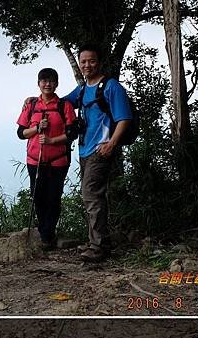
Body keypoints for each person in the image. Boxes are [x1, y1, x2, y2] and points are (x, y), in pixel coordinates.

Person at [60, 43, 132, 262]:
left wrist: (111, 144)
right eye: (83, 61)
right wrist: (36, 101)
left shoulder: (110, 87)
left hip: (100, 150)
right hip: (84, 149)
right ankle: (98, 241)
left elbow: (124, 118)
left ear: (99, 62)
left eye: (91, 61)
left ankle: (98, 246)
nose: (87, 65)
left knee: (91, 195)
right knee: (93, 196)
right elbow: (61, 103)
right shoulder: (82, 89)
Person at [16, 68, 77, 250]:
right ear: (38, 83)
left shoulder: (64, 106)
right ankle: (44, 232)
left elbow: (72, 132)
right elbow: (21, 133)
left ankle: (47, 235)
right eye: (44, 81)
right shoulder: (31, 105)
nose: (47, 84)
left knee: (53, 197)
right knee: (38, 197)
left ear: (56, 84)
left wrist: (52, 140)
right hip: (34, 160)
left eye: (51, 81)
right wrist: (36, 129)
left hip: (58, 161)